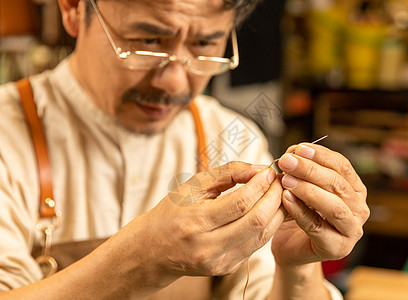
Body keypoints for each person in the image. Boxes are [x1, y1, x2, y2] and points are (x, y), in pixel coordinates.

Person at [0, 0, 369, 299]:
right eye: (147, 41)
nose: (175, 81)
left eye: (205, 45)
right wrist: (146, 258)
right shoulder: (7, 135)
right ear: (74, 9)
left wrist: (296, 267)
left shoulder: (230, 136)